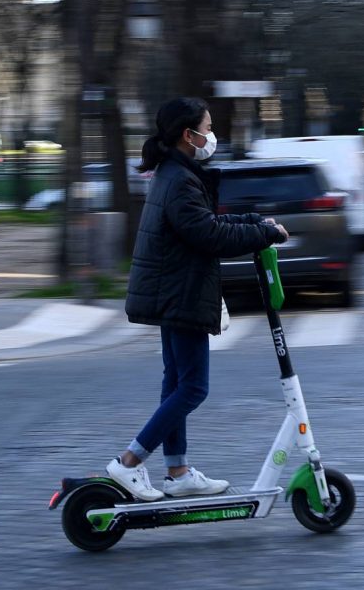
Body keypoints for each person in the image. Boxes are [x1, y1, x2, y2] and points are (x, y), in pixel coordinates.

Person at [108, 97, 290, 501]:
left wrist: (254, 222)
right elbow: (210, 236)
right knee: (193, 387)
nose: (212, 136)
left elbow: (207, 224)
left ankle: (178, 470)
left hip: (175, 289)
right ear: (188, 135)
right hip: (181, 292)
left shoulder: (176, 174)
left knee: (177, 382)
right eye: (207, 128)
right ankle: (128, 463)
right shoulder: (179, 180)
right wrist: (266, 234)